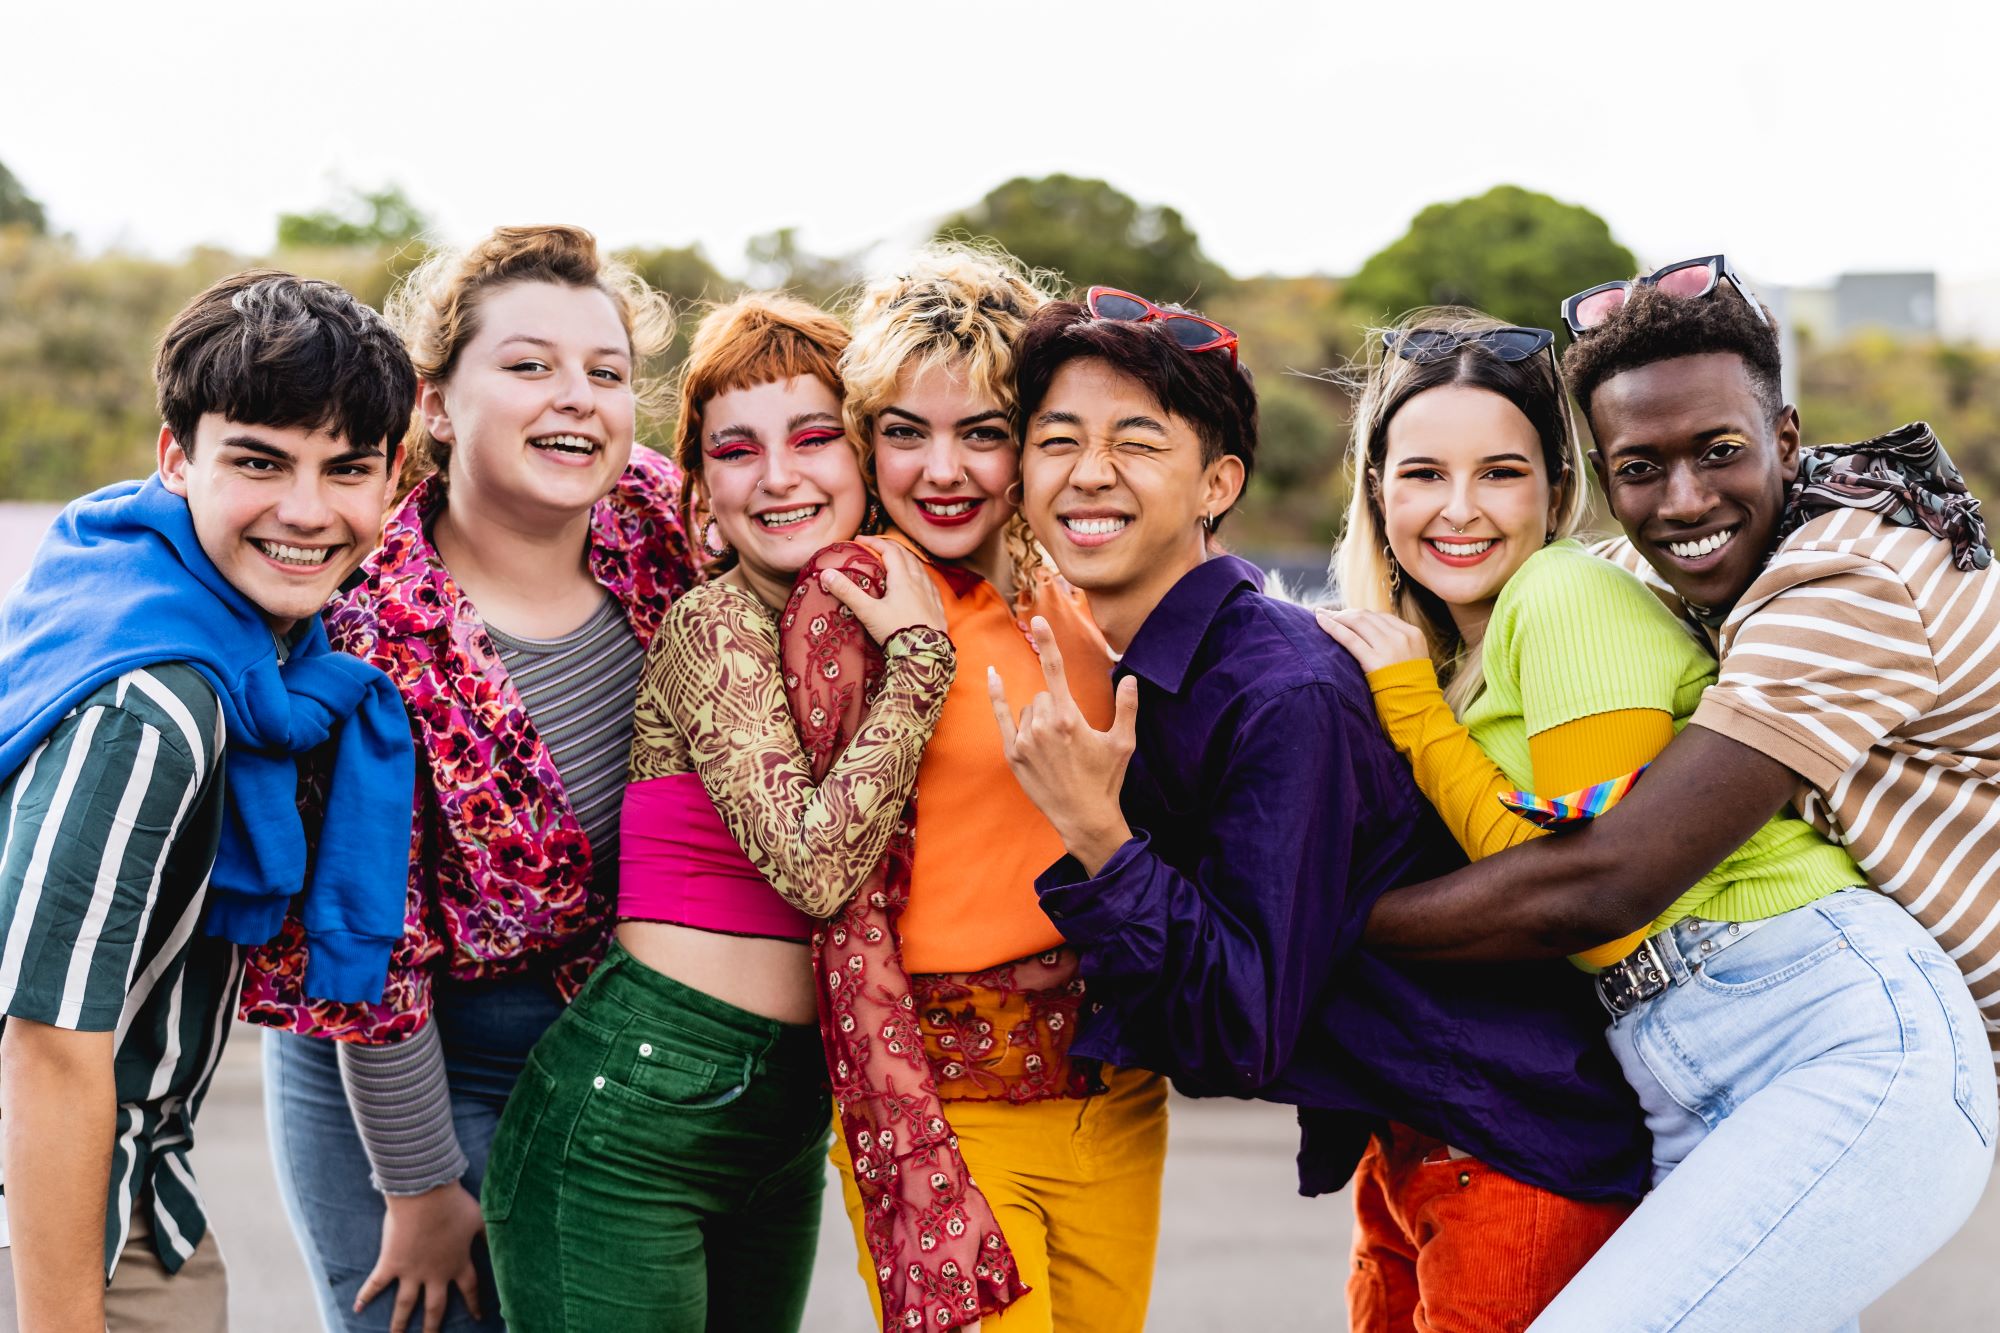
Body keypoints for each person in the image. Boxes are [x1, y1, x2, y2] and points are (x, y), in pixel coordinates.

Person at [987, 293, 1650, 1333]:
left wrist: (1101, 843)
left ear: (1217, 483)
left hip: (1507, 1155)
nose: (1086, 471)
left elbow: (1241, 1025)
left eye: (1134, 440)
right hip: (1408, 1149)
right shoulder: (1161, 680)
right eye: (1055, 439)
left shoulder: (1278, 691)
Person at [1354, 261, 1998, 1331]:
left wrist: (1300, 930)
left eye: (1719, 451)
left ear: (1785, 438)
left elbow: (1599, 884)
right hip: (1693, 1054)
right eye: (1639, 467)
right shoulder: (1654, 573)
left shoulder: (1847, 584)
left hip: (1839, 1036)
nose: (1684, 498)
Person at [237, 225, 693, 1333]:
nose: (576, 398)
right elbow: (359, 938)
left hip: (594, 1039)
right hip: (395, 1059)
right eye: (528, 366)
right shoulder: (364, 627)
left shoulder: (658, 524)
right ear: (435, 404)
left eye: (607, 372)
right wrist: (418, 1186)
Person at [480, 293, 954, 1332]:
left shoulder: (877, 614)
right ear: (700, 495)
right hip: (629, 1117)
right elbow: (814, 867)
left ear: (869, 457)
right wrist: (920, 667)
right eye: (737, 451)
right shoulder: (714, 626)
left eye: (814, 437)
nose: (778, 475)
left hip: (781, 1117)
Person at [0, 271, 417, 1332]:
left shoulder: (189, 619)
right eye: (259, 461)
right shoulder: (157, 704)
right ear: (176, 455)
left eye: (346, 469)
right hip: (54, 1223)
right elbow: (46, 1046)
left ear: (393, 478)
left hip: (137, 1187)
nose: (308, 511)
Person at [818, 247, 1167, 1333]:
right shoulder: (858, 601)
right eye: (905, 432)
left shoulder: (1080, 596)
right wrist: (902, 1144)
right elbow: (836, 900)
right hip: (948, 1101)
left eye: (982, 432)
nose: (943, 470)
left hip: (1115, 1095)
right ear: (866, 441)